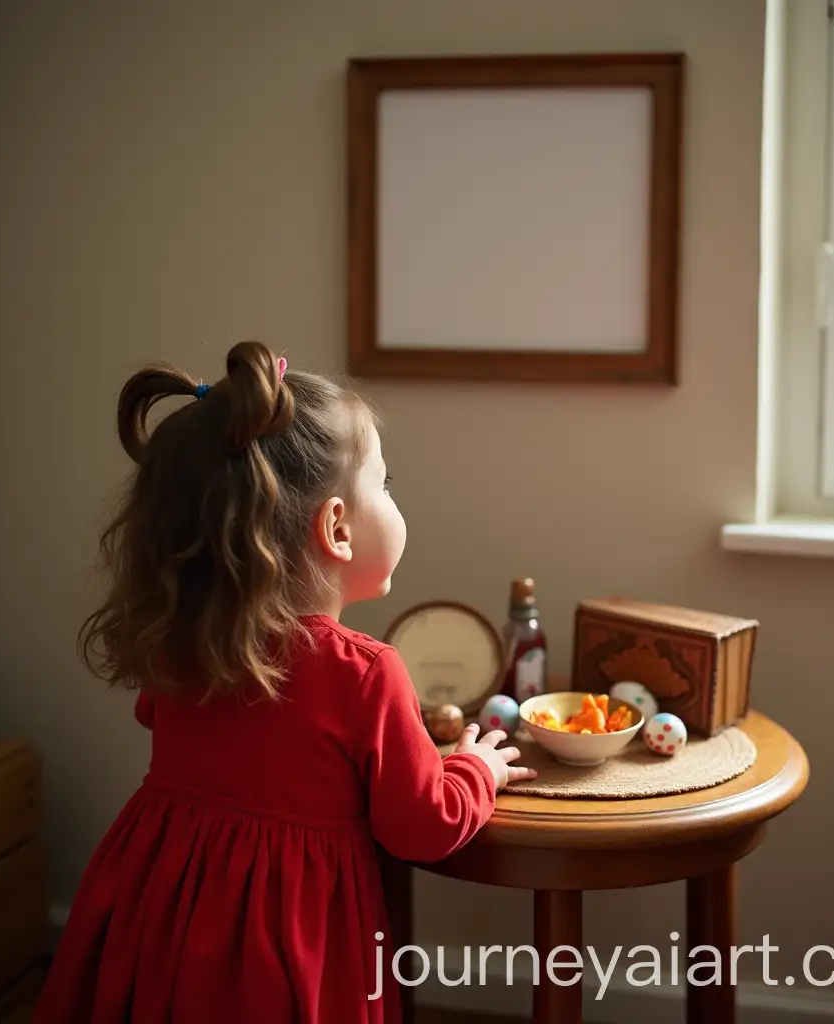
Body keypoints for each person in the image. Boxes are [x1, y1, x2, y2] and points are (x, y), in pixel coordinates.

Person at [34, 340, 536, 1023]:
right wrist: (475, 768)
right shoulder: (365, 672)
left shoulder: (185, 642)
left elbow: (172, 724)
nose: (391, 499)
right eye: (384, 485)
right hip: (287, 930)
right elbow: (422, 824)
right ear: (336, 528)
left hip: (166, 903)